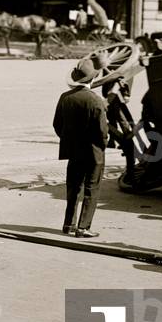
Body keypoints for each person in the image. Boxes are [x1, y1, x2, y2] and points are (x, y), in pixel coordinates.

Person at [53, 60, 109, 238]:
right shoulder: (95, 100)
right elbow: (102, 131)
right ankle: (83, 227)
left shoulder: (65, 97)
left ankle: (68, 223)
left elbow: (57, 125)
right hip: (93, 153)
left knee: (73, 188)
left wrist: (69, 139)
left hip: (73, 151)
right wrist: (103, 145)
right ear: (92, 80)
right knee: (92, 188)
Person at [104, 76, 137, 179]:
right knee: (112, 117)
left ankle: (127, 139)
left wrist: (126, 93)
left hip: (117, 94)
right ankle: (113, 141)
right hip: (111, 92)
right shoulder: (109, 64)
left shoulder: (119, 63)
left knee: (121, 117)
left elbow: (128, 74)